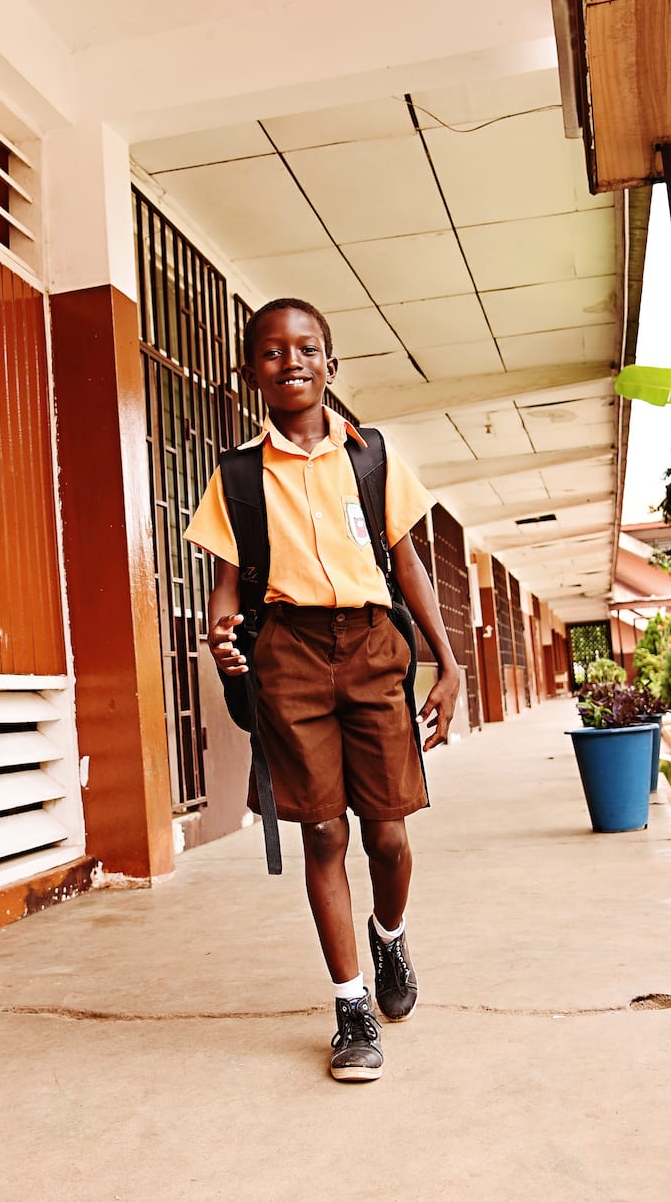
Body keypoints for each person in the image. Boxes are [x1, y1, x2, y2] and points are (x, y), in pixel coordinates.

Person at [183, 296, 463, 1082]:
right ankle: (350, 1007)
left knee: (389, 835)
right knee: (325, 835)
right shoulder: (238, 475)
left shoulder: (370, 456)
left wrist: (449, 663)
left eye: (307, 347)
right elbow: (228, 585)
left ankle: (390, 934)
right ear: (252, 376)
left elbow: (408, 564)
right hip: (292, 653)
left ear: (331, 366)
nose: (292, 360)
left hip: (374, 646)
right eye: (272, 351)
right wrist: (222, 630)